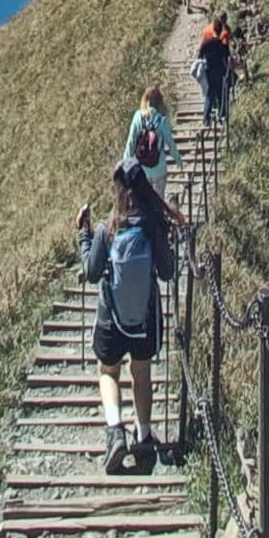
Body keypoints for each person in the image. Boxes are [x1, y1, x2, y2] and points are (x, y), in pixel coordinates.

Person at [77, 159, 177, 474]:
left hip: (111, 317)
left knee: (108, 370)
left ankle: (115, 431)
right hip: (145, 317)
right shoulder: (152, 225)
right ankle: (143, 436)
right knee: (141, 372)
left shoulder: (107, 228)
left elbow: (91, 273)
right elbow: (168, 271)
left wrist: (84, 235)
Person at [124, 82, 182, 213]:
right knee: (158, 203)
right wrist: (178, 158)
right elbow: (170, 143)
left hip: (141, 169)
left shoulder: (138, 117)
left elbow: (131, 142)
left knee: (143, 204)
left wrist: (126, 162)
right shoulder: (161, 120)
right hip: (159, 168)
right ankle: (158, 223)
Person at [194, 17, 231, 127]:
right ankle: (221, 116)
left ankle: (206, 118)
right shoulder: (222, 45)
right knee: (220, 93)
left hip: (208, 70)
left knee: (210, 94)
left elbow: (200, 55)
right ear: (221, 30)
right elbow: (227, 58)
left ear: (213, 29)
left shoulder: (206, 42)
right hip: (219, 70)